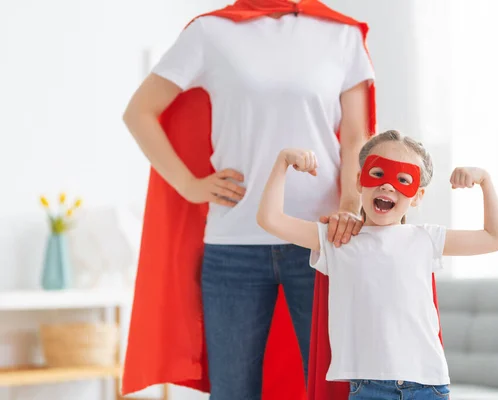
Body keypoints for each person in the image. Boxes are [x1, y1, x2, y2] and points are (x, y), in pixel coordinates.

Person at [120, 1, 398, 399]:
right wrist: (189, 185)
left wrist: (351, 205)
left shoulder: (343, 35)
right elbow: (139, 112)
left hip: (320, 242)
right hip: (232, 244)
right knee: (233, 392)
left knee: (332, 389)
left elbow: (356, 137)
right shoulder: (211, 32)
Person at [257, 129, 498, 400]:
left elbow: (497, 237)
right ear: (359, 181)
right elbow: (269, 219)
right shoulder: (337, 240)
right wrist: (283, 161)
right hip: (368, 388)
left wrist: (485, 180)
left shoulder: (426, 238)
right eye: (378, 174)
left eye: (403, 179)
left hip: (428, 384)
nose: (388, 186)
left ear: (417, 196)